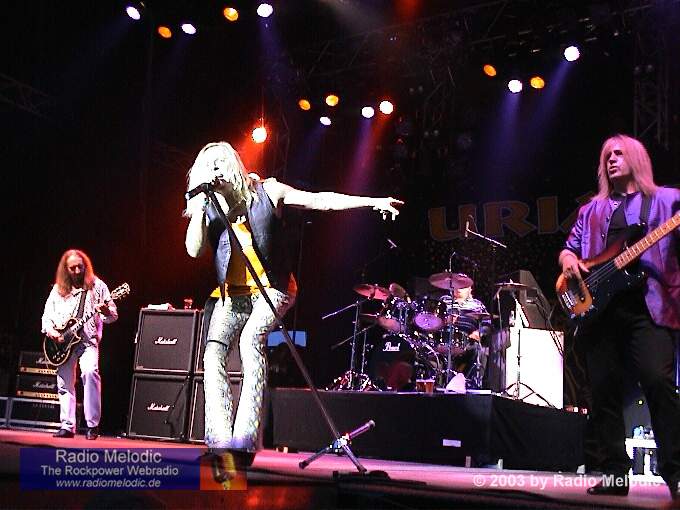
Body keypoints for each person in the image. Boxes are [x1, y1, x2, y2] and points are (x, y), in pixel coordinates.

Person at [184, 141, 403, 462]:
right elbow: (193, 250)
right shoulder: (209, 206)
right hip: (232, 295)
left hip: (274, 288)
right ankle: (219, 442)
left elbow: (319, 200)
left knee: (250, 340)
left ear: (232, 165)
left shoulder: (267, 191)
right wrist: (199, 209)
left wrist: (372, 202)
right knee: (212, 355)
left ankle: (243, 443)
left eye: (219, 164)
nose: (214, 172)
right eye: (208, 167)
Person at [558, 134, 680, 498]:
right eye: (606, 155)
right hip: (600, 312)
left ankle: (675, 473)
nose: (611, 159)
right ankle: (615, 475)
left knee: (657, 381)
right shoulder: (591, 210)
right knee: (602, 392)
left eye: (618, 153)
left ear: (636, 159)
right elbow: (569, 248)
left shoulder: (667, 200)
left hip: (649, 309)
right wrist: (569, 261)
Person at [41, 249, 118, 439]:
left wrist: (105, 311)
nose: (77, 271)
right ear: (65, 269)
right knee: (64, 382)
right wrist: (53, 332)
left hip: (87, 341)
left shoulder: (97, 286)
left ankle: (92, 425)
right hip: (62, 344)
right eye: (72, 268)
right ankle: (67, 425)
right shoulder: (58, 289)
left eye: (80, 267)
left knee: (90, 373)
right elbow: (46, 317)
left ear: (86, 266)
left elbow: (113, 315)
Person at [439, 282, 491, 389]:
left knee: (479, 350)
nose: (459, 289)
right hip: (444, 340)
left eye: (463, 287)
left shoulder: (477, 304)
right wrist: (444, 320)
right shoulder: (444, 300)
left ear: (470, 289)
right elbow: (434, 319)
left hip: (468, 342)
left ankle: (470, 384)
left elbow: (487, 324)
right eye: (457, 286)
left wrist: (479, 332)